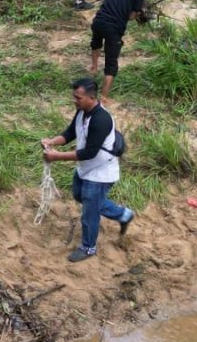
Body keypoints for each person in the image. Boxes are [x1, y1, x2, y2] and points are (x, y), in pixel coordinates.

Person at [41, 79, 134, 263]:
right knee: (79, 195)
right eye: (74, 96)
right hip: (86, 169)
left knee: (90, 211)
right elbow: (70, 133)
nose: (74, 100)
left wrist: (56, 156)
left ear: (91, 97)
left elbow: (88, 153)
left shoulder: (101, 119)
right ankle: (123, 214)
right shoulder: (82, 111)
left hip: (100, 173)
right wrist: (52, 141)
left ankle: (88, 247)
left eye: (78, 97)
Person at [89, 0, 150, 100]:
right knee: (111, 62)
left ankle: (93, 68)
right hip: (114, 28)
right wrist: (139, 13)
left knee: (96, 42)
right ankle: (104, 97)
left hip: (99, 20)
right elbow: (131, 17)